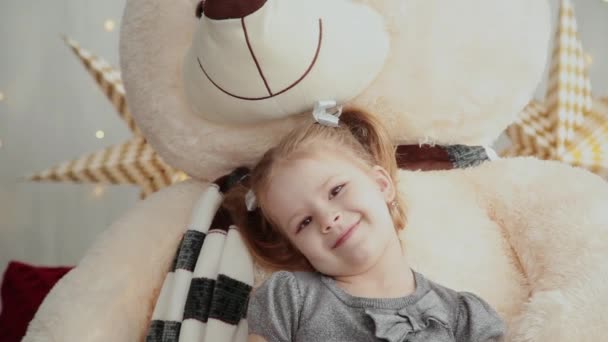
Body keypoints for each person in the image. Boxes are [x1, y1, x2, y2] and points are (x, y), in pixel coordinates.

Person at [223, 104, 505, 342]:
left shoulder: (463, 315)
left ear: (382, 185)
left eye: (336, 190)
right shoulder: (290, 298)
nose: (328, 219)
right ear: (296, 248)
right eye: (304, 222)